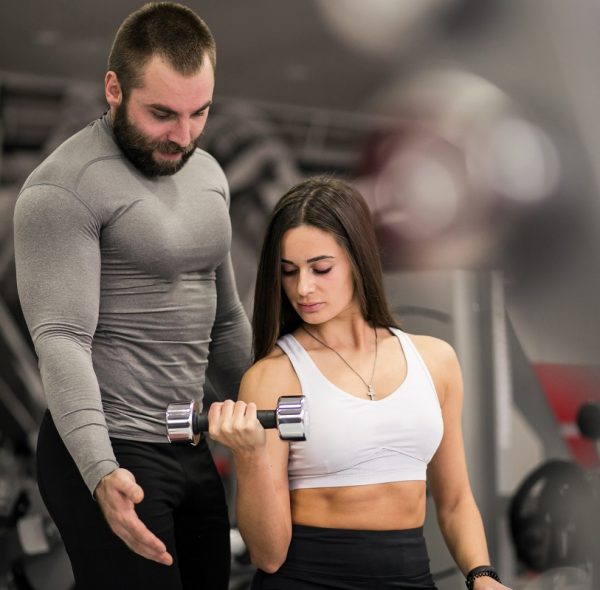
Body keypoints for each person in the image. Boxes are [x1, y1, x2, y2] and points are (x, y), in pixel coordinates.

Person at [13, 3, 251, 589]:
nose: (184, 135)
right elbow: (61, 340)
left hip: (187, 441)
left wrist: (269, 412)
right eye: (163, 114)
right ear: (114, 88)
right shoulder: (62, 187)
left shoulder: (210, 175)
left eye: (200, 113)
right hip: (108, 444)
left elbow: (226, 322)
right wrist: (99, 471)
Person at [207, 176, 512, 589]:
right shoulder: (272, 377)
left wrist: (482, 575)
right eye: (289, 272)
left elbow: (456, 500)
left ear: (358, 258)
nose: (303, 288)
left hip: (410, 577)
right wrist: (250, 455)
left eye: (321, 268)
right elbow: (267, 555)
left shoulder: (435, 360)